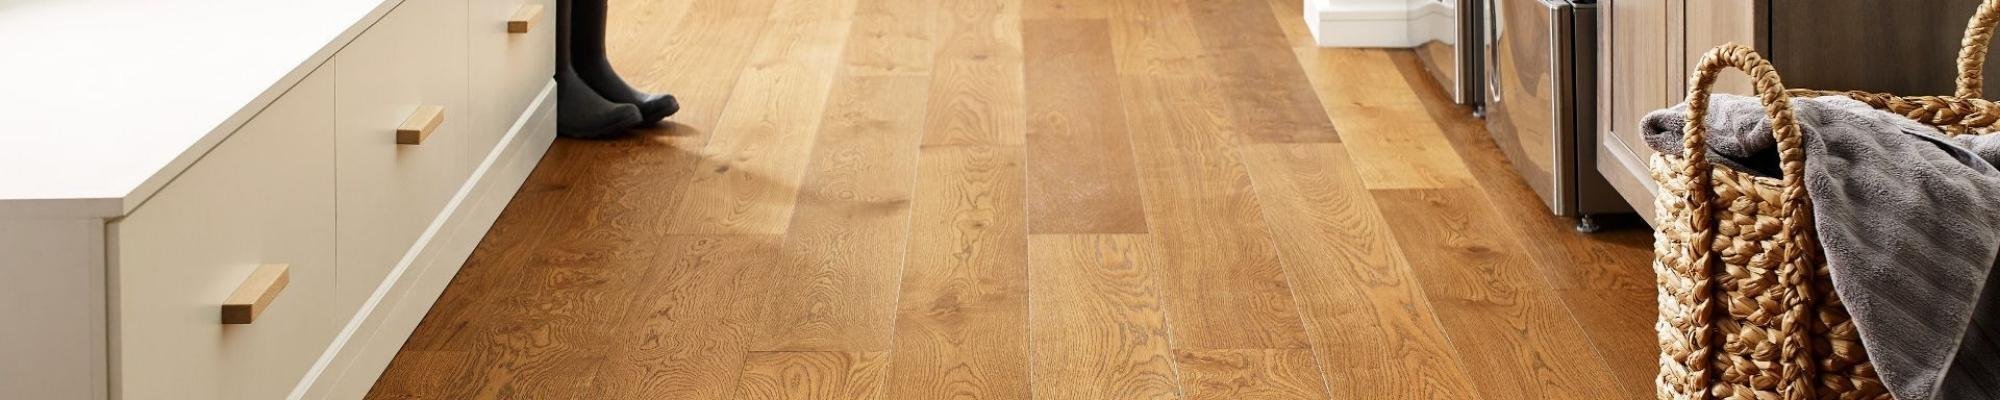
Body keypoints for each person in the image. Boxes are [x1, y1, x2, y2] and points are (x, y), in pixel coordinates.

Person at [557, 0, 678, 138]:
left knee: (590, 61)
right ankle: (562, 86)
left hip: (587, 66)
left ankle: (589, 67)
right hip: (560, 81)